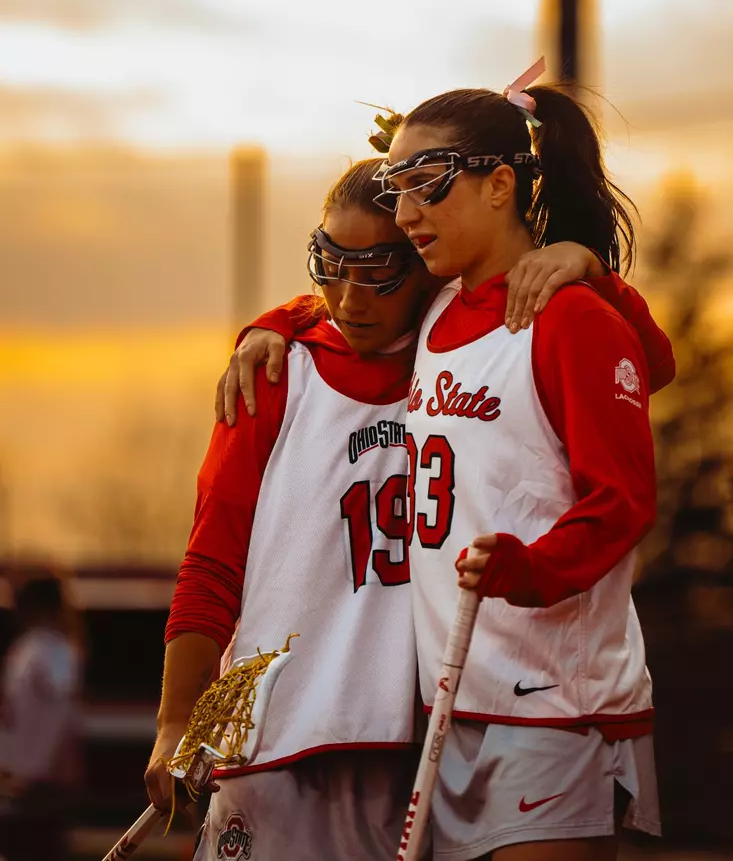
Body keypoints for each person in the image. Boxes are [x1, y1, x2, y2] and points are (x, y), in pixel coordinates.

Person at [223, 66, 672, 861]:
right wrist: (271, 324)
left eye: (425, 186)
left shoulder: (564, 315)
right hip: (453, 700)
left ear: (500, 185)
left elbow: (626, 496)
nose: (405, 213)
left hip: (554, 704)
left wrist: (531, 569)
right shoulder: (435, 309)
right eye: (397, 188)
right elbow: (350, 303)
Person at [146, 158, 438, 861]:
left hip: (417, 747)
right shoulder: (275, 374)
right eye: (331, 267)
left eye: (376, 272)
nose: (348, 297)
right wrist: (175, 719)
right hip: (273, 736)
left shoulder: (466, 359)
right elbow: (213, 560)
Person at [0, 570, 82, 861]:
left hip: (21, 778)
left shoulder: (24, 650)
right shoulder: (53, 650)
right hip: (39, 782)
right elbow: (63, 712)